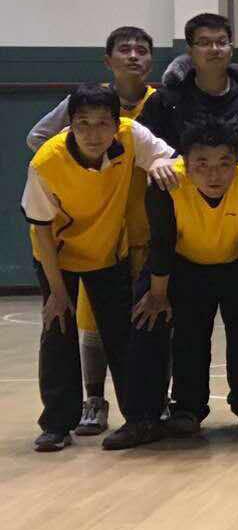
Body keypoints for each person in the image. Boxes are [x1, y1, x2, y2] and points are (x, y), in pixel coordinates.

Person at [22, 84, 175, 452]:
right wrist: (57, 293)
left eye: (103, 123)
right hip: (58, 256)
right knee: (58, 330)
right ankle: (57, 424)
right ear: (70, 124)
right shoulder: (46, 162)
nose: (93, 134)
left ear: (116, 124)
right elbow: (41, 231)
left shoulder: (131, 135)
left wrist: (158, 162)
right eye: (83, 124)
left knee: (123, 336)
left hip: (107, 253)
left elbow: (165, 155)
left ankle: (139, 419)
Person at [114, 118, 238, 448]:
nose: (213, 174)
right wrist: (158, 295)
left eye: (224, 163)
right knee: (148, 318)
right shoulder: (166, 184)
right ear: (185, 164)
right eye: (202, 164)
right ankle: (154, 416)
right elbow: (161, 243)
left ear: (237, 162)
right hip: (181, 264)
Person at [138, 13, 238, 148]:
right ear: (190, 51)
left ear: (231, 50)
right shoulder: (166, 101)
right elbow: (144, 147)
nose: (215, 49)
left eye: (222, 43)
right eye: (205, 43)